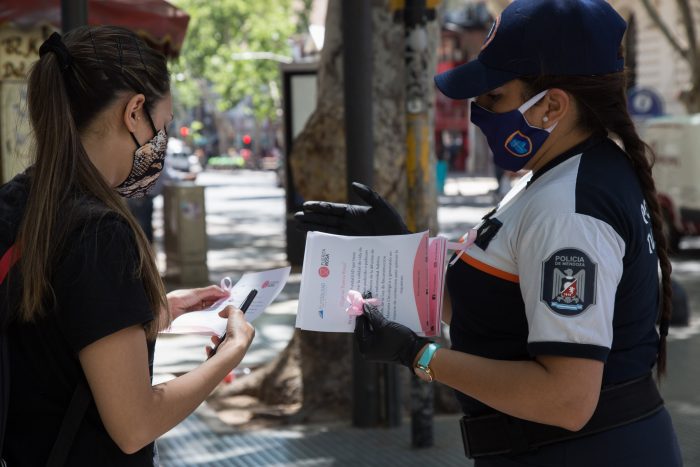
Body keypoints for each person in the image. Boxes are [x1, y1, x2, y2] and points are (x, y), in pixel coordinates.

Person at [295, 1, 681, 465]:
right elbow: (497, 310)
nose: (478, 111)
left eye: (493, 97)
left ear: (552, 106)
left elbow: (567, 399)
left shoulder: (569, 208)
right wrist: (402, 249)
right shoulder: (557, 177)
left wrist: (419, 355)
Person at [0, 27, 254, 466]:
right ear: (135, 111)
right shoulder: (100, 233)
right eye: (164, 123)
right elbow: (134, 424)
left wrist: (154, 313)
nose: (163, 141)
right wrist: (231, 352)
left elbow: (50, 338)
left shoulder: (19, 204)